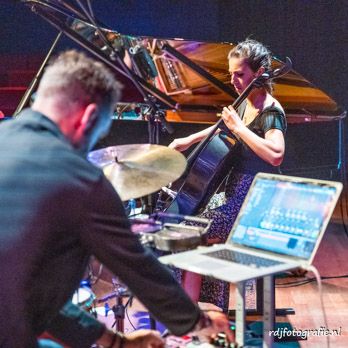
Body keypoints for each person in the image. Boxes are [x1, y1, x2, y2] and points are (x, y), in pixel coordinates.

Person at [0, 50, 233, 348]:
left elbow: (23, 291)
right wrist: (200, 322)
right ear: (88, 118)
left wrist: (114, 341)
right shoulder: (79, 178)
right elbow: (138, 267)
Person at [169, 39, 287, 312]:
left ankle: (190, 318)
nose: (233, 80)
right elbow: (225, 127)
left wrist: (240, 128)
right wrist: (187, 139)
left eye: (239, 74)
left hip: (254, 202)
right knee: (184, 222)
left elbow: (276, 153)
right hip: (235, 192)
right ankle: (201, 311)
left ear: (259, 74)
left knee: (191, 233)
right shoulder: (246, 102)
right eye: (231, 74)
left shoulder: (271, 111)